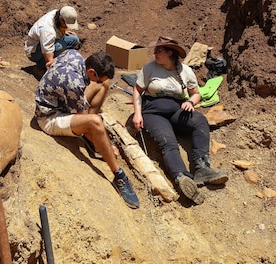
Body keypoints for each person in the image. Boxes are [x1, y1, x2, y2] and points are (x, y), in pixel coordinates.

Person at [34, 50, 140, 209]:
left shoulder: (72, 54)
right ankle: (119, 176)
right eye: (96, 78)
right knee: (95, 122)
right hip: (49, 117)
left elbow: (50, 63)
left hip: (62, 101)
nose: (97, 82)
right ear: (91, 71)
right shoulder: (74, 84)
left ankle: (95, 137)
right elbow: (75, 93)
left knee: (105, 84)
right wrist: (109, 147)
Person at [131, 36, 228, 205]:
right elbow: (137, 90)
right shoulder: (150, 68)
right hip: (153, 112)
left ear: (170, 53)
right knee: (168, 142)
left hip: (177, 109)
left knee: (200, 122)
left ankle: (202, 168)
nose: (155, 53)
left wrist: (191, 102)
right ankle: (182, 177)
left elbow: (195, 93)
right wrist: (137, 113)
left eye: (159, 50)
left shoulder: (185, 71)